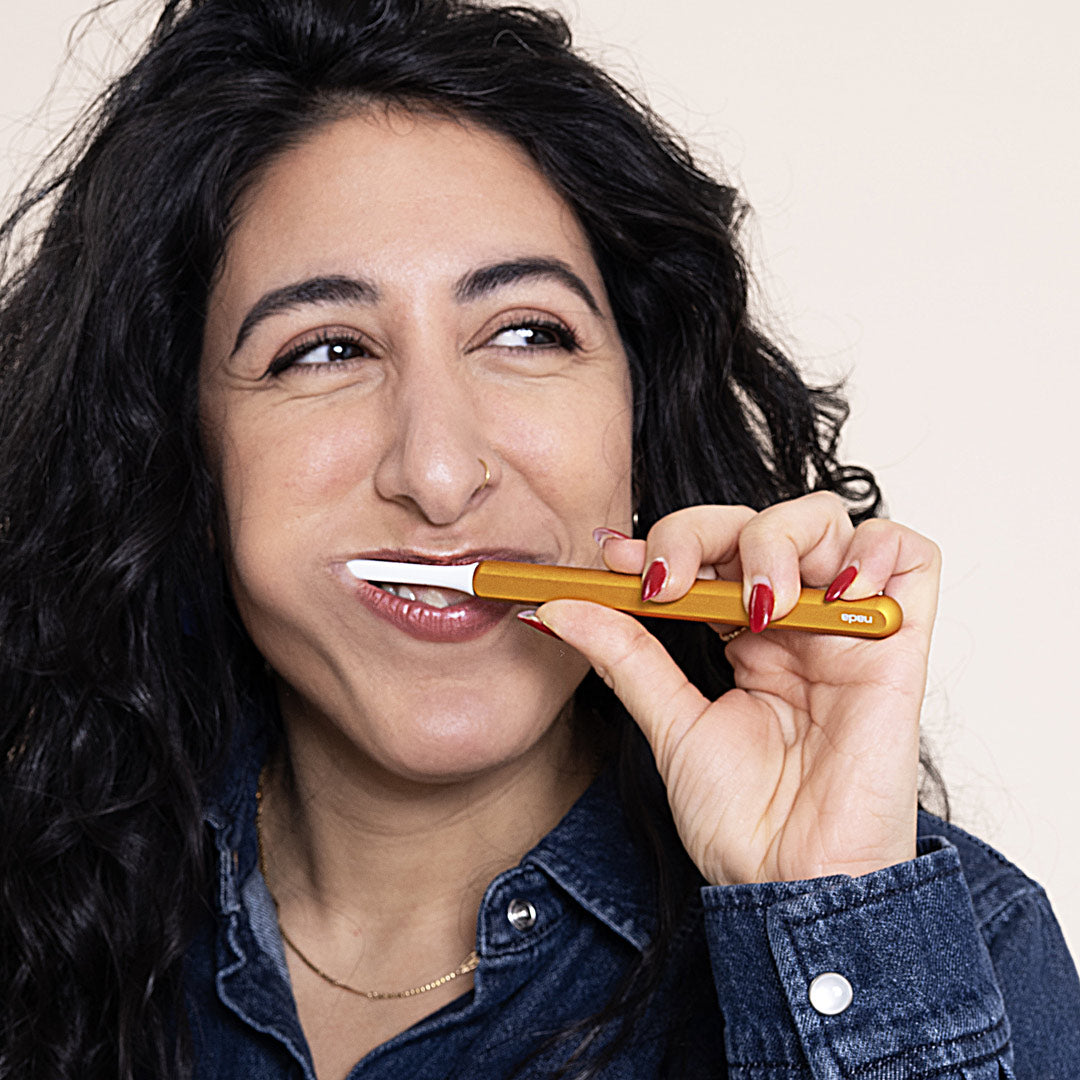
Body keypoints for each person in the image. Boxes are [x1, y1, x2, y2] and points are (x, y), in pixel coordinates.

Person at [1, 1, 1077, 1078]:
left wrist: (831, 917)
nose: (437, 471)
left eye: (526, 333)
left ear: (639, 424)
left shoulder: (967, 952)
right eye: (324, 351)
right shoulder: (40, 888)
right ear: (181, 455)